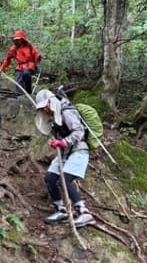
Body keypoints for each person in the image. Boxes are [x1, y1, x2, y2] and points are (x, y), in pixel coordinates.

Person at [34, 89, 95, 227]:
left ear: (51, 102)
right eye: (42, 107)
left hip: (79, 150)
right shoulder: (53, 117)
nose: (45, 109)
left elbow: (79, 131)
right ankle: (61, 210)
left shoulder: (66, 111)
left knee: (64, 180)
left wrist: (64, 142)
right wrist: (57, 142)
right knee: (50, 178)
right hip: (65, 152)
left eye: (46, 105)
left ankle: (84, 212)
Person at [0, 30, 41, 94]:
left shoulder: (29, 46)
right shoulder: (13, 49)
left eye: (19, 39)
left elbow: (36, 54)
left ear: (22, 39)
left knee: (26, 74)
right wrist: (2, 68)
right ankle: (20, 95)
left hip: (30, 65)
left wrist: (38, 58)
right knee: (18, 80)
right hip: (20, 67)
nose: (17, 41)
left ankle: (28, 92)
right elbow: (7, 59)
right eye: (16, 39)